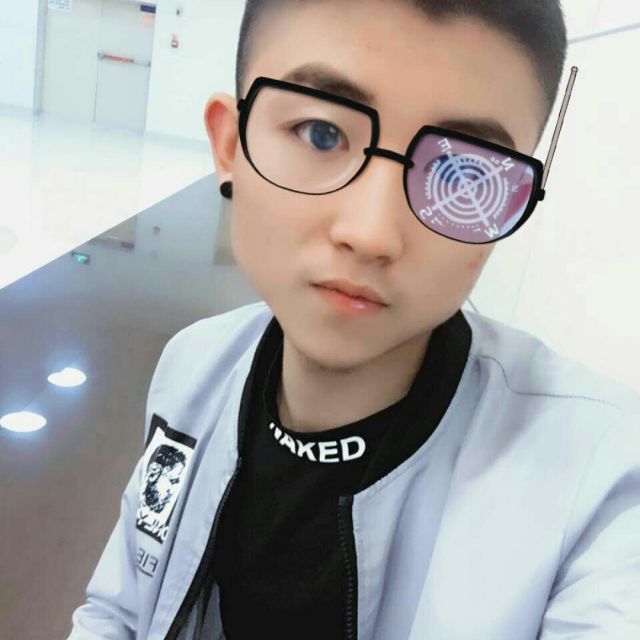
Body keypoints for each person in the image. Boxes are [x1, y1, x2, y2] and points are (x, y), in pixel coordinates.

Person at [68, 1, 640, 639]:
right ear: (230, 145)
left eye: (461, 171)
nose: (371, 233)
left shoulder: (601, 487)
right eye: (321, 133)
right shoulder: (193, 366)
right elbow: (121, 611)